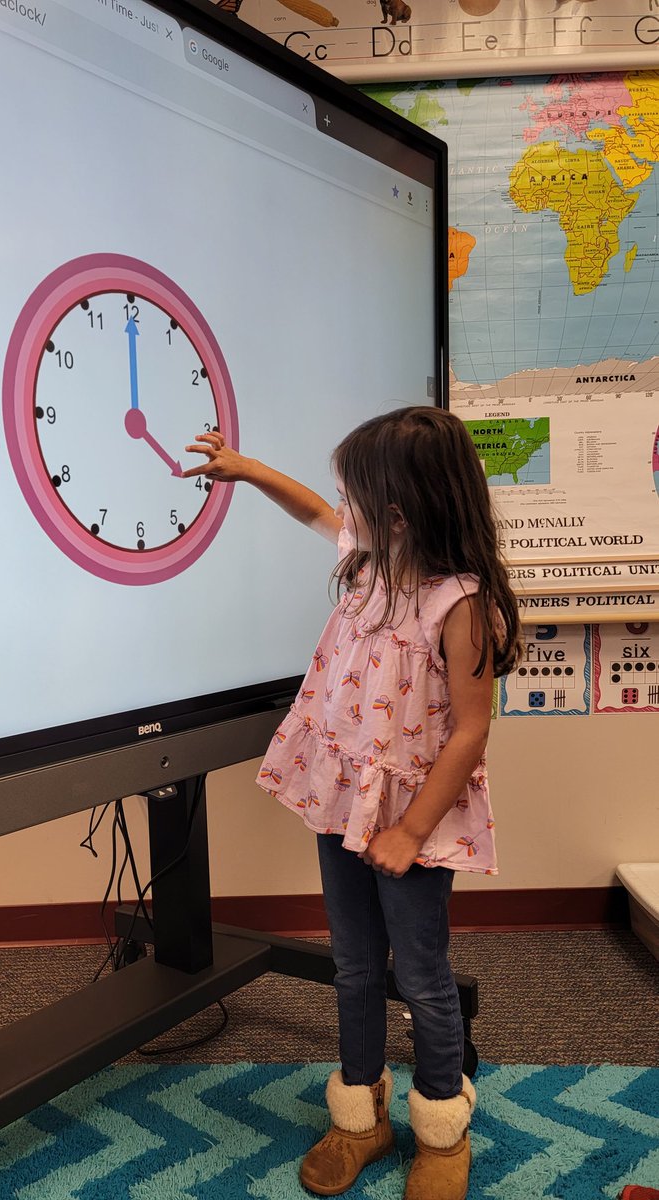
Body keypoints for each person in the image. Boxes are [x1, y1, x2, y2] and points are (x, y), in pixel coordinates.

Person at [183, 406, 521, 1200]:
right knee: (356, 965)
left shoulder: (460, 603)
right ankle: (359, 1114)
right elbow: (312, 510)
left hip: (413, 818)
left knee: (425, 974)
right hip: (343, 802)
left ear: (401, 510)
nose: (344, 507)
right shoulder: (371, 560)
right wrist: (244, 466)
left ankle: (441, 1126)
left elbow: (472, 732)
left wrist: (409, 830)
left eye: (356, 494)